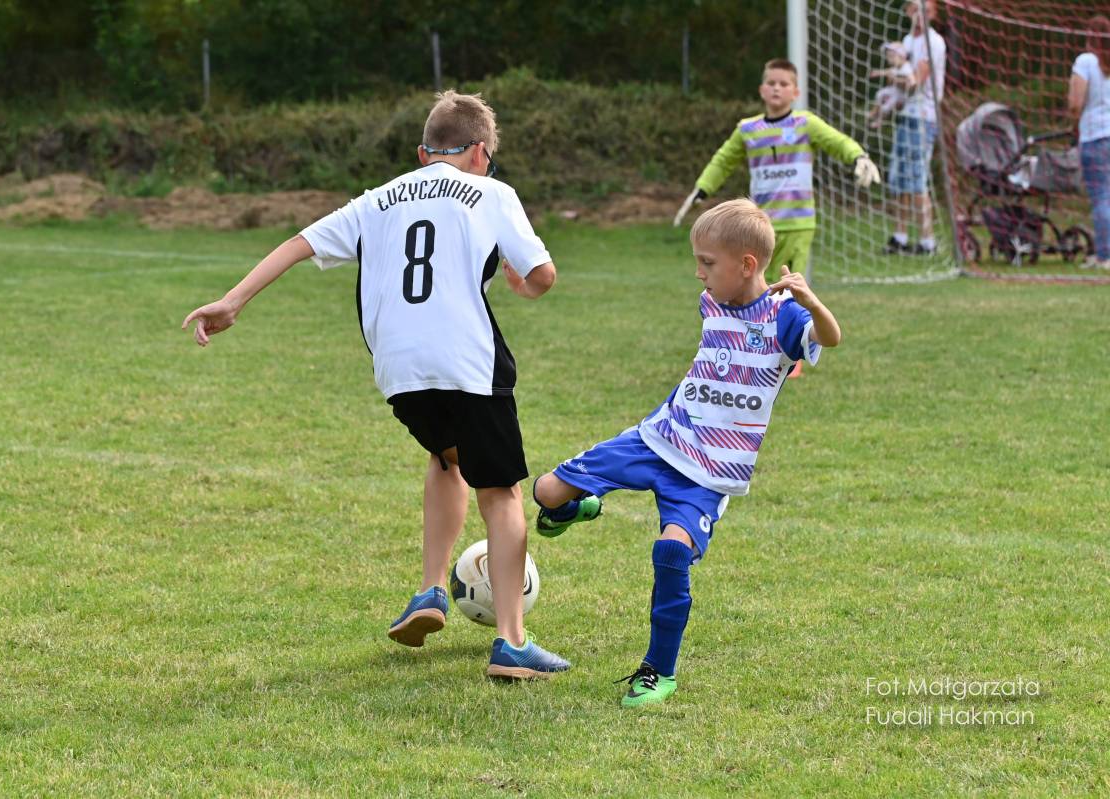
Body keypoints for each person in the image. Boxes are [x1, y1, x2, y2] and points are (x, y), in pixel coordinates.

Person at [182, 90, 570, 680]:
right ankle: (512, 644)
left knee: (447, 459)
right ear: (480, 154)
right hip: (466, 359)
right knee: (502, 494)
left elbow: (299, 244)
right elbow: (542, 275)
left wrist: (233, 301)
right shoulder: (493, 193)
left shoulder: (378, 198)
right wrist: (523, 283)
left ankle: (430, 590)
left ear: (423, 153)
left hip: (398, 368)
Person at [535, 199, 841, 707]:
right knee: (546, 492)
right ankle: (578, 506)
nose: (699, 273)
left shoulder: (785, 318)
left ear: (747, 264)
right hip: (660, 439)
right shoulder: (712, 302)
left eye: (708, 263)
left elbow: (831, 337)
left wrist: (812, 304)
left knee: (672, 552)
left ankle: (659, 670)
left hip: (709, 472)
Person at [673, 58, 881, 285]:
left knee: (788, 287)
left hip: (797, 222)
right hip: (759, 224)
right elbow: (723, 161)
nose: (776, 88)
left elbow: (837, 141)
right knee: (757, 285)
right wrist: (703, 187)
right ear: (762, 90)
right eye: (771, 83)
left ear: (796, 92)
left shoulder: (805, 123)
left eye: (784, 84)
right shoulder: (747, 129)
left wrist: (858, 156)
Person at [883, 0, 946, 256]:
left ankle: (927, 241)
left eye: (926, 11)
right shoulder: (907, 41)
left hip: (924, 117)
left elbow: (915, 81)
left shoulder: (934, 42)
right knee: (900, 178)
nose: (920, 15)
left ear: (933, 14)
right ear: (909, 11)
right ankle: (900, 237)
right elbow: (901, 82)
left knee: (917, 179)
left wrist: (893, 77)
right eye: (916, 10)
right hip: (905, 115)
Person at [1068, 15, 1110, 269]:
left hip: (1095, 137)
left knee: (1101, 196)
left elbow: (1075, 103)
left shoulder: (1086, 61)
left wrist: (1074, 123)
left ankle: (1105, 255)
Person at [868, 42, 915, 129]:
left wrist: (897, 80)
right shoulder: (897, 67)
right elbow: (888, 71)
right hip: (895, 90)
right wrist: (877, 73)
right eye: (888, 56)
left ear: (901, 56)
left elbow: (912, 82)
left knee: (886, 106)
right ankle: (874, 112)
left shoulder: (907, 68)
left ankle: (879, 121)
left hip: (902, 95)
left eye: (892, 56)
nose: (889, 59)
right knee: (880, 94)